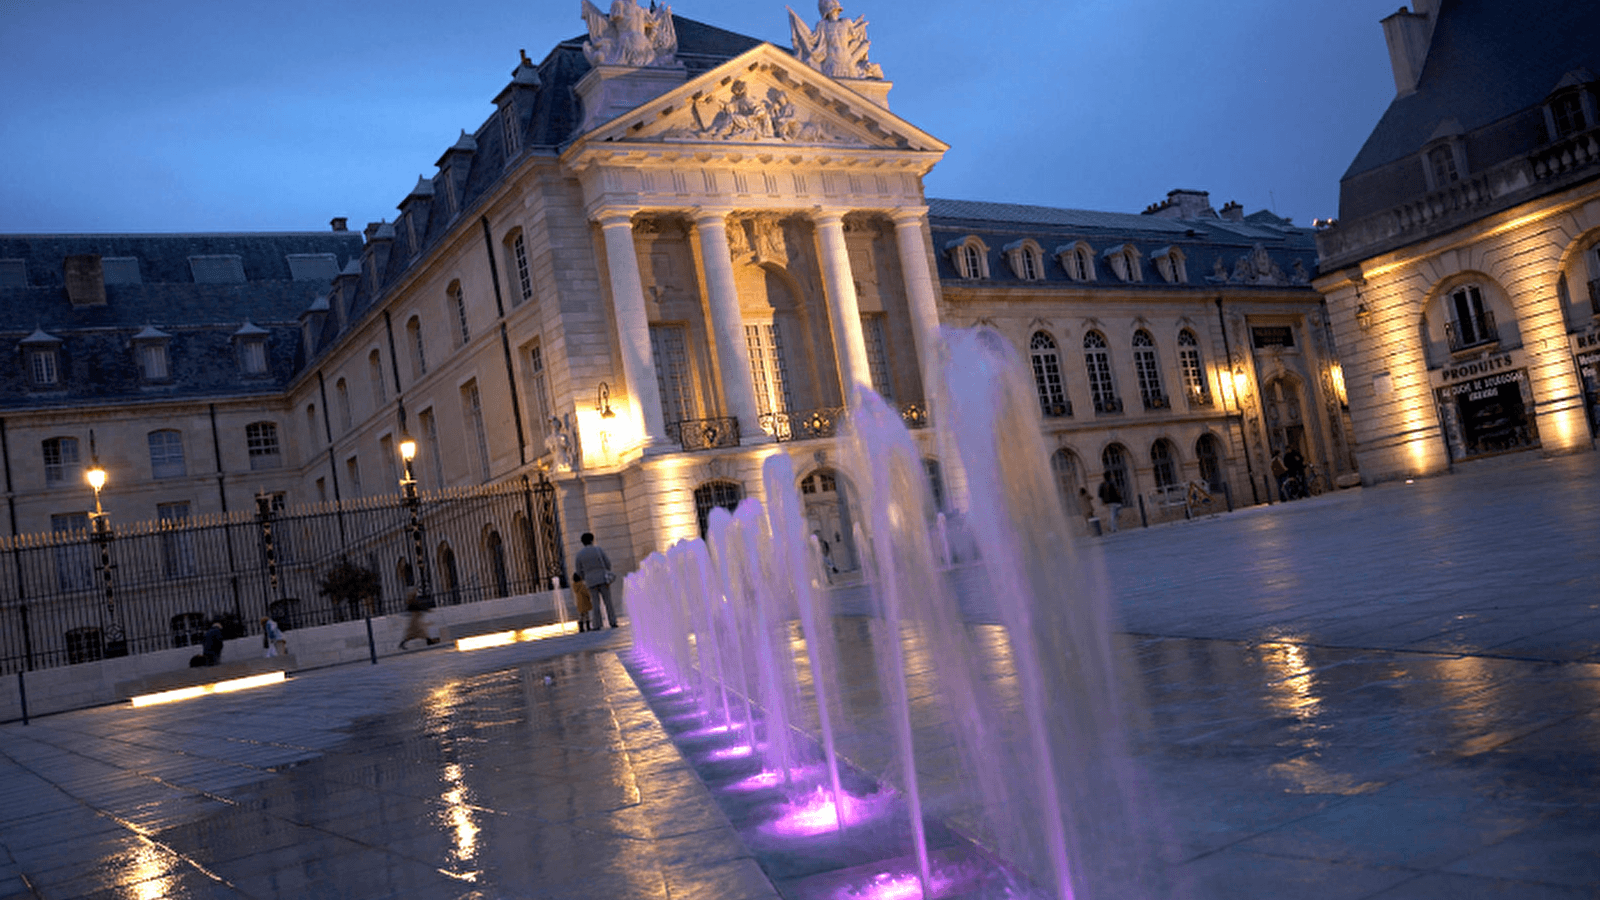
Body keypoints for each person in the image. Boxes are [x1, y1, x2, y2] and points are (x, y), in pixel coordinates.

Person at [574, 532, 619, 629]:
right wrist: (605, 571)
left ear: (582, 542)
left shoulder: (580, 554)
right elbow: (607, 563)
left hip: (590, 580)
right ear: (592, 540)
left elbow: (578, 570)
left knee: (595, 604)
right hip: (602, 578)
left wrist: (585, 576)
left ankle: (597, 624)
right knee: (608, 602)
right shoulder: (598, 550)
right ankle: (613, 621)